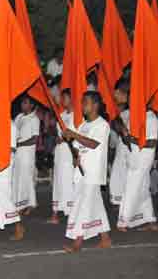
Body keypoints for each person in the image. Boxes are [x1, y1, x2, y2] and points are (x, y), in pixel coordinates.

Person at [62, 91, 111, 253]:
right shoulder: (83, 125)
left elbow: (93, 144)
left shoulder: (102, 125)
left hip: (93, 173)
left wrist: (73, 134)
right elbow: (78, 147)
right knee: (95, 205)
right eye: (82, 102)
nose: (82, 105)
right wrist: (75, 156)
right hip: (81, 172)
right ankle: (105, 238)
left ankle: (77, 242)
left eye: (86, 102)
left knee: (83, 207)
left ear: (95, 105)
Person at [117, 106, 158, 232]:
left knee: (131, 187)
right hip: (134, 157)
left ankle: (123, 221)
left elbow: (152, 142)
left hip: (143, 158)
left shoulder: (151, 118)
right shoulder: (135, 114)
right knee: (142, 189)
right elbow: (129, 138)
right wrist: (123, 132)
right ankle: (150, 220)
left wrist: (131, 139)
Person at [48, 89, 75, 224]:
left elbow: (75, 135)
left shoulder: (77, 116)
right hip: (59, 152)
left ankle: (71, 213)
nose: (62, 100)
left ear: (71, 98)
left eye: (64, 97)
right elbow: (57, 133)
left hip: (69, 153)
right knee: (58, 181)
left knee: (68, 181)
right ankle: (55, 213)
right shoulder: (62, 115)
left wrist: (63, 139)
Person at [12, 96, 40, 215]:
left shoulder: (34, 119)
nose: (22, 105)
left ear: (31, 105)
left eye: (25, 103)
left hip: (27, 154)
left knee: (26, 179)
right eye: (22, 102)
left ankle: (26, 204)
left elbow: (34, 139)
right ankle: (25, 203)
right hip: (17, 153)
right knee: (18, 179)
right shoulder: (19, 117)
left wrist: (20, 143)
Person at [109, 79, 130, 206]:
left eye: (118, 93)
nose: (115, 95)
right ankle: (118, 199)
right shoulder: (120, 110)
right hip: (120, 146)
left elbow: (124, 131)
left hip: (129, 147)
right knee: (118, 171)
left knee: (125, 173)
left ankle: (124, 200)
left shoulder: (130, 112)